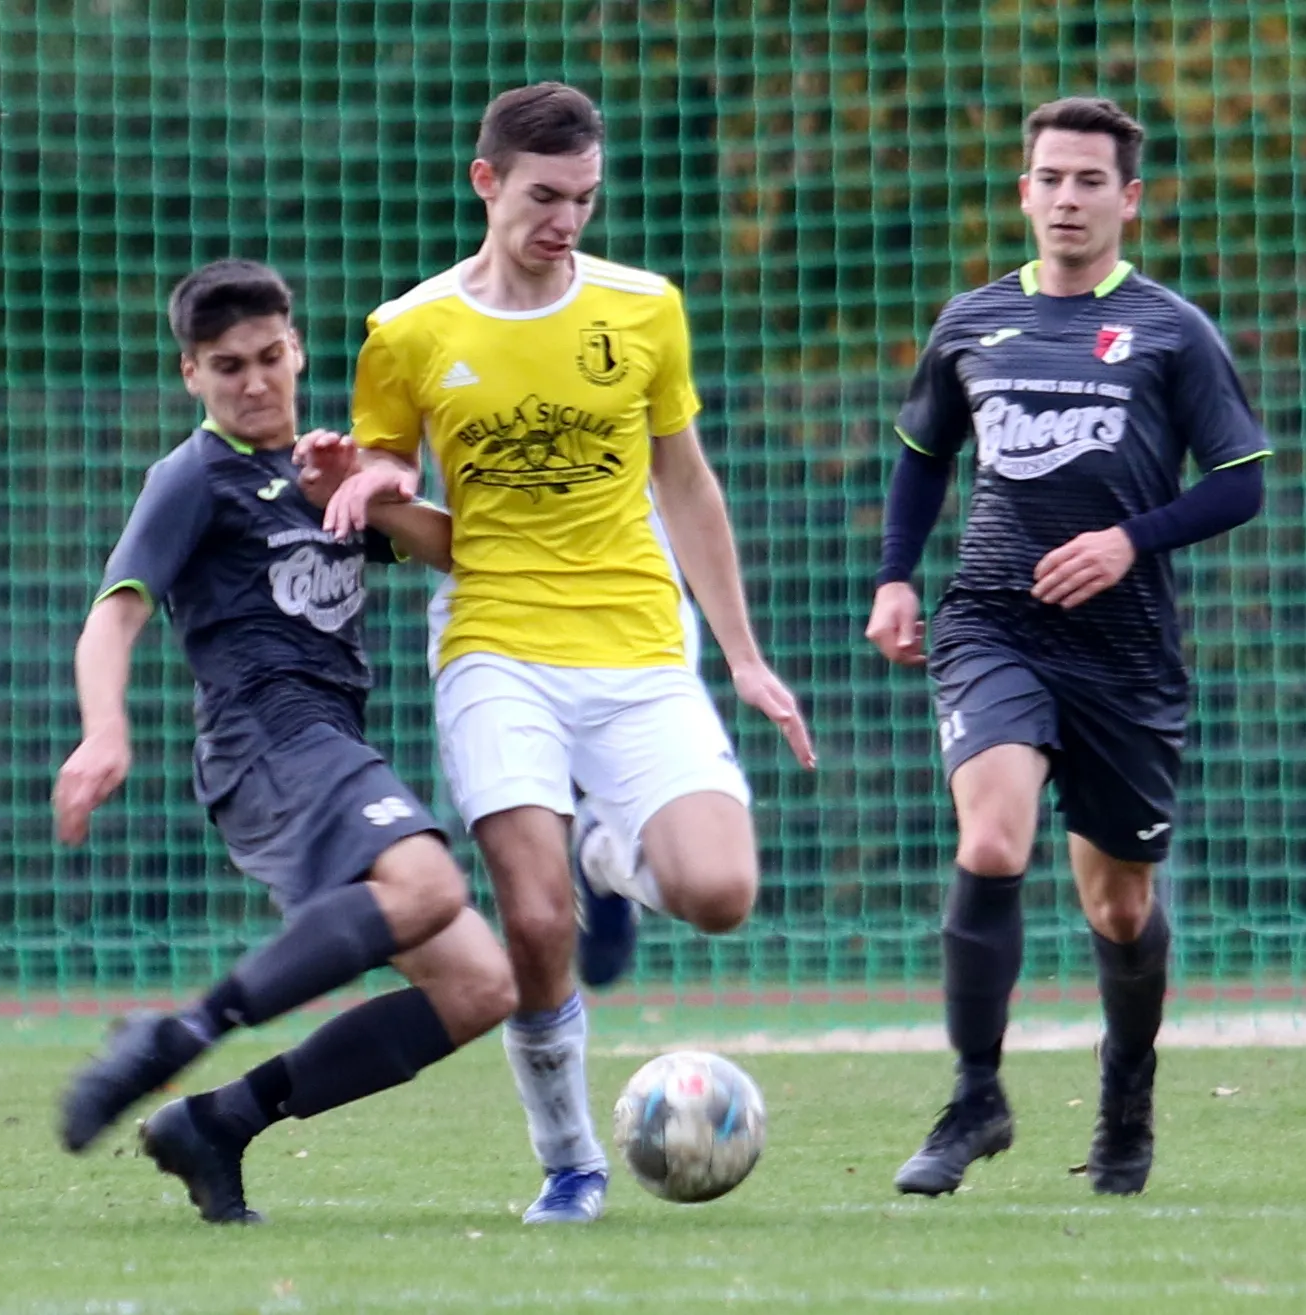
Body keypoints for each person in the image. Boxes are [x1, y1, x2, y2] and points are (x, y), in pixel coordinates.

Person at [310, 82, 816, 1224]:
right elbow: (395, 491)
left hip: (637, 638)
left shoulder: (643, 309)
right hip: (495, 641)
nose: (567, 220)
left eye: (584, 197)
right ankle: (572, 1161)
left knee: (720, 892)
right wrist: (364, 485)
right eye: (544, 196)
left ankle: (608, 859)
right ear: (485, 181)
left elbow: (685, 483)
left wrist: (743, 656)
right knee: (534, 923)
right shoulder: (408, 332)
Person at [51, 259, 517, 1223]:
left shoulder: (322, 464)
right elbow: (113, 615)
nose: (256, 382)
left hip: (324, 743)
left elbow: (463, 551)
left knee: (480, 985)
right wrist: (103, 730)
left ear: (297, 349)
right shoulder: (192, 477)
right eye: (228, 367)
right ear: (192, 373)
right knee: (429, 885)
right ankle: (181, 1032)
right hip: (267, 741)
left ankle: (218, 1121)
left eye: (270, 357)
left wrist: (369, 491)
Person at [866, 97, 1270, 1197]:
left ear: (1127, 199)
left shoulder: (1170, 330)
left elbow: (1240, 482)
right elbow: (922, 457)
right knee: (992, 839)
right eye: (1049, 177)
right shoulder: (970, 322)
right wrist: (896, 575)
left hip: (1124, 655)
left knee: (1118, 907)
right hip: (992, 622)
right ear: (1023, 192)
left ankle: (1125, 1091)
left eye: (1090, 180)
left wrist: (1128, 539)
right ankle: (974, 1097)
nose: (1067, 198)